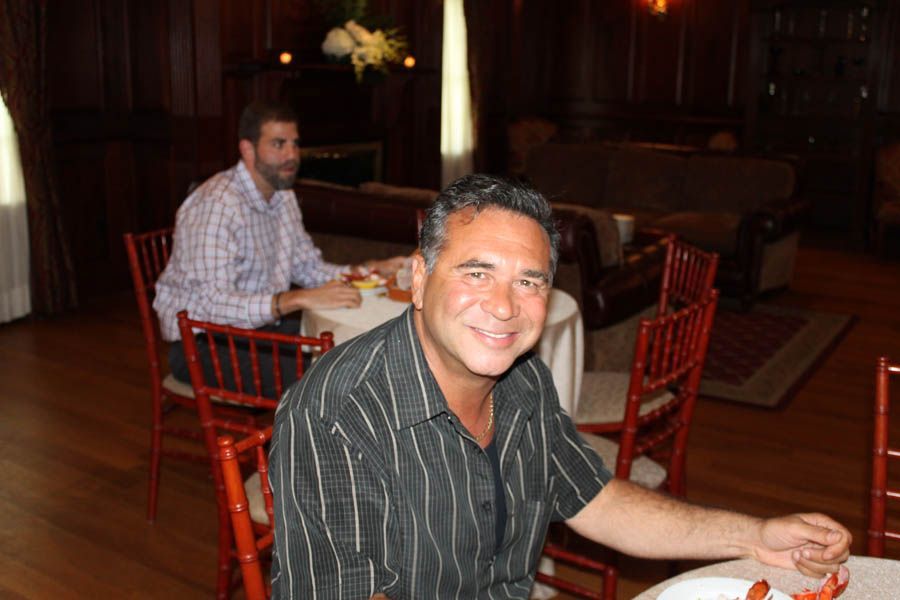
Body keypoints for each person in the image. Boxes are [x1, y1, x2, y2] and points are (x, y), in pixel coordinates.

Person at [268, 174, 851, 599]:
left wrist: (754, 537)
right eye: (477, 273)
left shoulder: (522, 378)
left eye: (529, 281)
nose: (503, 307)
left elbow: (596, 501)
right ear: (419, 279)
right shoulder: (336, 415)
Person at [153, 100, 405, 396]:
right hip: (202, 344)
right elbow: (211, 306)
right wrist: (295, 299)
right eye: (278, 144)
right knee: (333, 380)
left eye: (295, 144)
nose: (291, 155)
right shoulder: (216, 206)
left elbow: (310, 268)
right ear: (247, 150)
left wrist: (373, 270)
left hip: (257, 331)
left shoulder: (282, 196)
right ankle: (308, 441)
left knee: (355, 354)